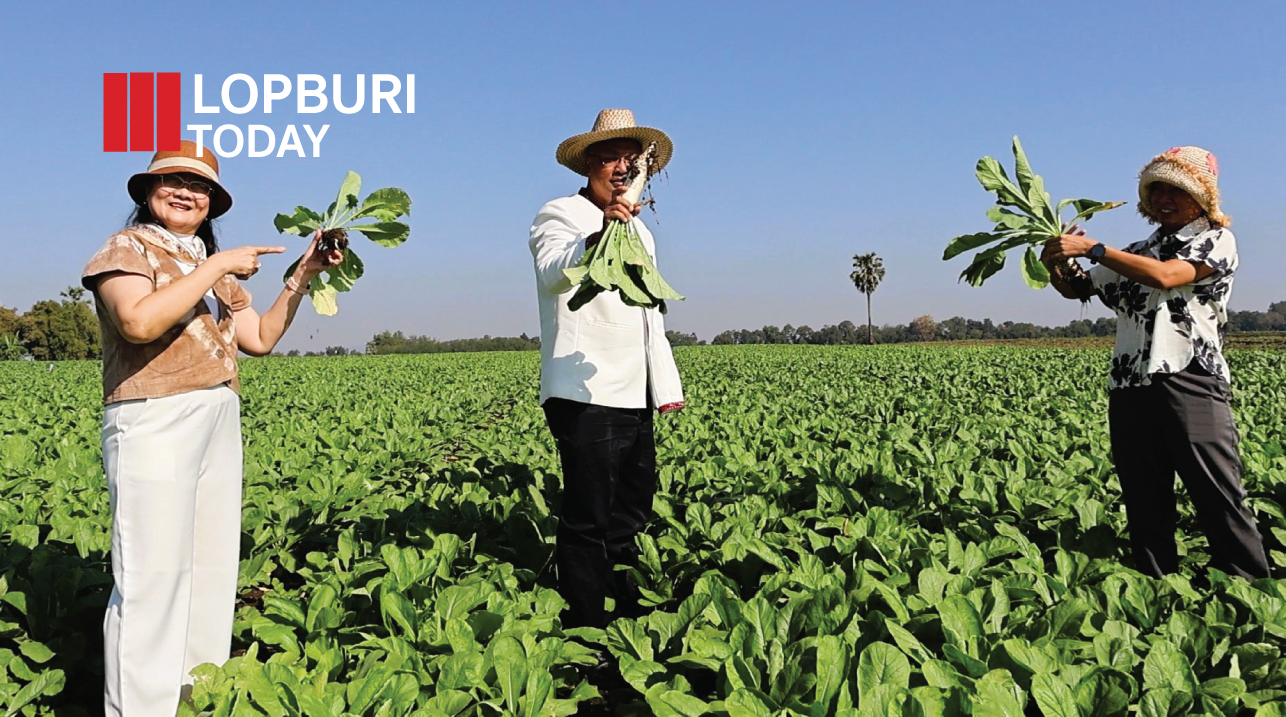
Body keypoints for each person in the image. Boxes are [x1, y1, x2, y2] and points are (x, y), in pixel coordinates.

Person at [82, 141, 342, 715]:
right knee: (152, 579)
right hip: (153, 414)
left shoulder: (206, 263)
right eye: (172, 180)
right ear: (148, 193)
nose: (185, 191)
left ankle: (193, 697)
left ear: (212, 203)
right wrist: (219, 264)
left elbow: (260, 339)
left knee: (209, 570)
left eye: (198, 186)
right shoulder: (127, 248)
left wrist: (303, 273)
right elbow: (137, 321)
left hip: (217, 415)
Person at [1042, 146, 1270, 581]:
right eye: (1157, 190)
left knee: (1217, 490)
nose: (1165, 199)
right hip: (1130, 382)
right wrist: (1057, 262)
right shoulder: (1139, 249)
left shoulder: (1216, 240)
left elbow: (1167, 276)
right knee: (1144, 495)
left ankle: (1251, 591)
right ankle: (1156, 587)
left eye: (1177, 191)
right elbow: (1078, 290)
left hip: (1191, 377)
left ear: (1201, 197)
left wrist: (1093, 248)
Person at [529, 109, 686, 630]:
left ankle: (625, 610)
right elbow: (555, 273)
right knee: (588, 516)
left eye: (631, 158)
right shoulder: (560, 216)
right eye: (610, 157)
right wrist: (599, 233)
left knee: (632, 510)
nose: (621, 167)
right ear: (588, 165)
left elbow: (647, 313)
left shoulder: (641, 229)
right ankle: (584, 626)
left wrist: (662, 384)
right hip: (585, 390)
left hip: (635, 389)